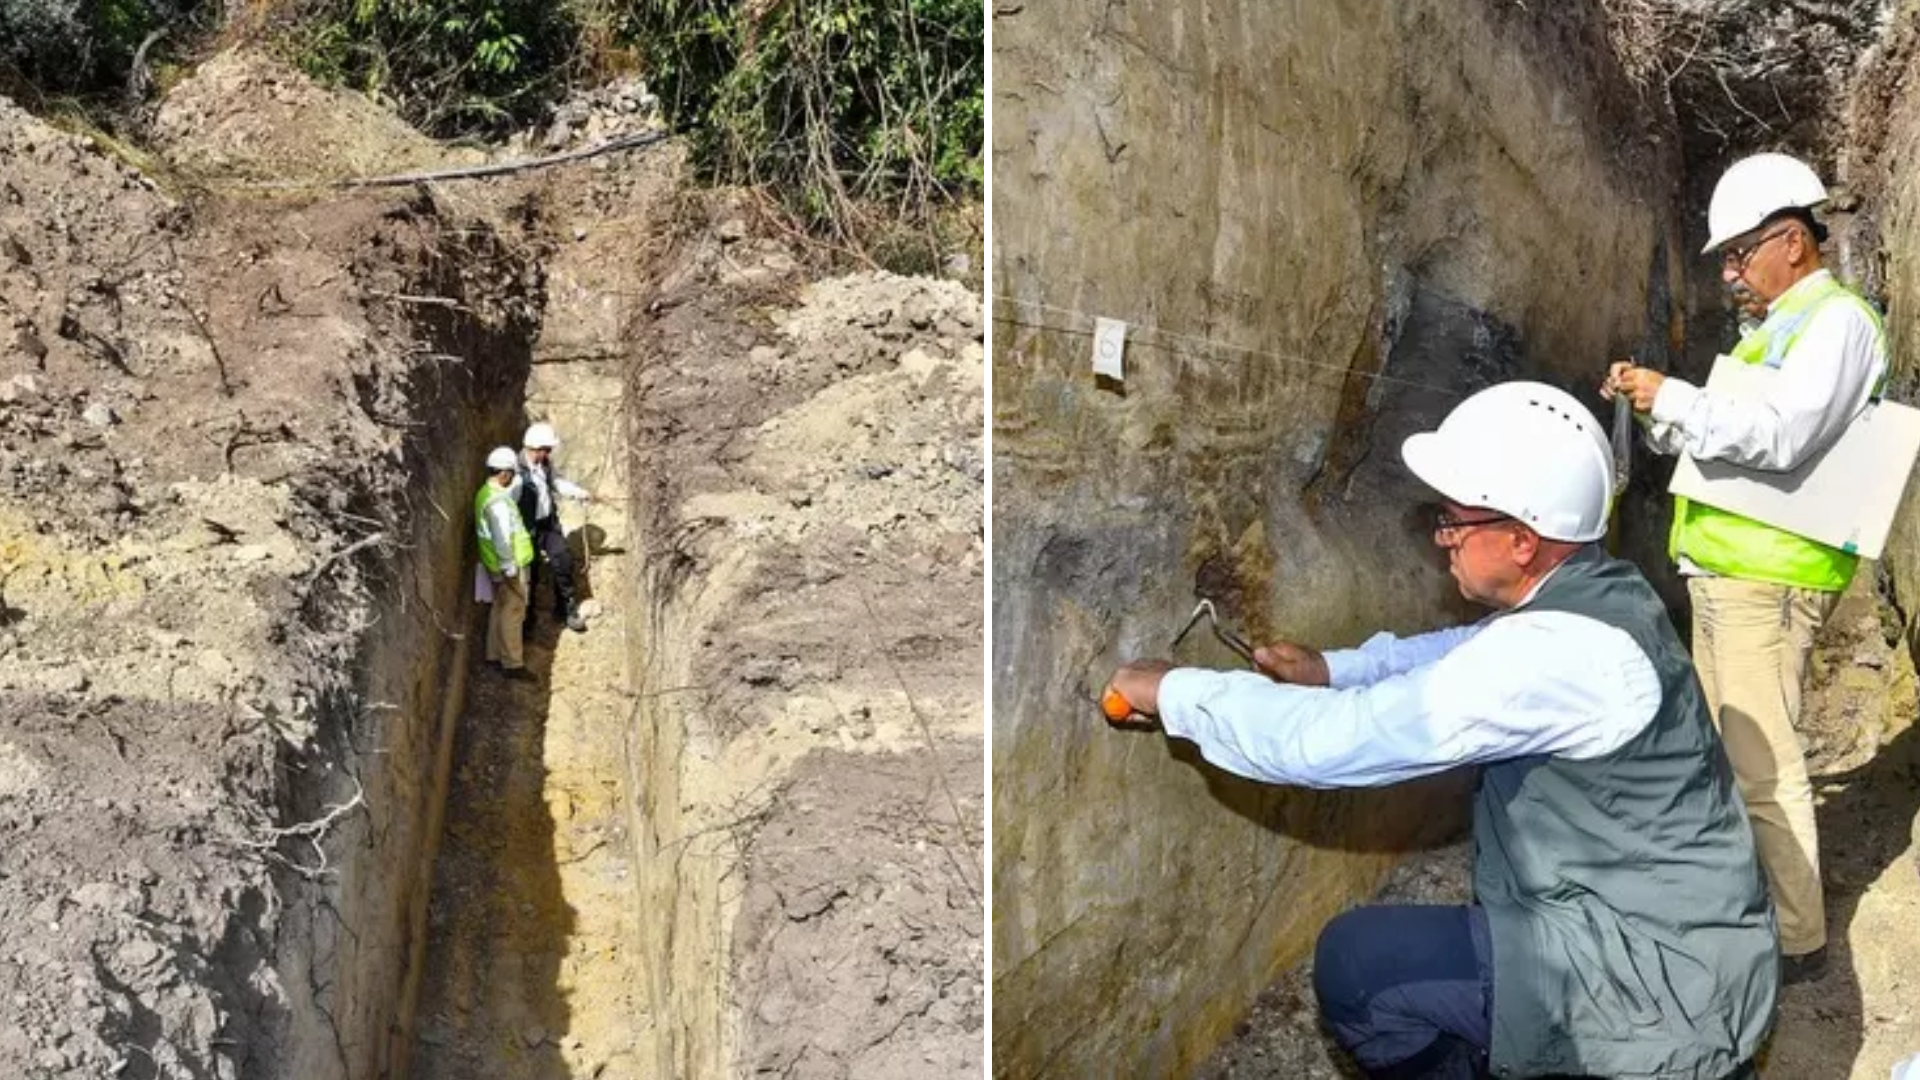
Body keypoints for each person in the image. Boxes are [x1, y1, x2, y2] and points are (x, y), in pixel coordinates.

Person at [1104, 382, 1774, 1080]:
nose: (1440, 537)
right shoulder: (1599, 592)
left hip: (1666, 984)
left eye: (1454, 521)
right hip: (1682, 945)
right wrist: (1331, 668)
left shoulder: (1562, 656)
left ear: (1522, 541)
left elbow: (1330, 743)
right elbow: (1462, 653)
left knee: (1362, 970)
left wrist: (1174, 690)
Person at [1605, 152, 1889, 983]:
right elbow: (1729, 443)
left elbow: (1783, 437)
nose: (1731, 271)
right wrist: (1657, 412)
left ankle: (1797, 939)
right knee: (1738, 757)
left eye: (1739, 253)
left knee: (1764, 766)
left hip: (1769, 580)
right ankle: (1762, 905)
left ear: (1792, 242)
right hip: (1733, 574)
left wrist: (1677, 398)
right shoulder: (1775, 333)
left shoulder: (1834, 323)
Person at [514, 421, 595, 634]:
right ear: (535, 448)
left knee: (563, 558)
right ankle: (526, 617)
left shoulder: (544, 465)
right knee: (529, 573)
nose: (549, 453)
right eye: (547, 449)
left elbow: (556, 483)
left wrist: (580, 493)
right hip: (526, 530)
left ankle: (565, 608)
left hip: (548, 523)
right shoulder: (515, 472)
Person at [475, 446, 535, 681]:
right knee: (513, 610)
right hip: (509, 565)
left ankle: (494, 655)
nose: (512, 478)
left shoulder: (484, 494)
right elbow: (501, 539)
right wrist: (509, 567)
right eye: (511, 473)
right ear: (504, 474)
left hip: (494, 565)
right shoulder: (498, 502)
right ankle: (512, 663)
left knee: (499, 608)